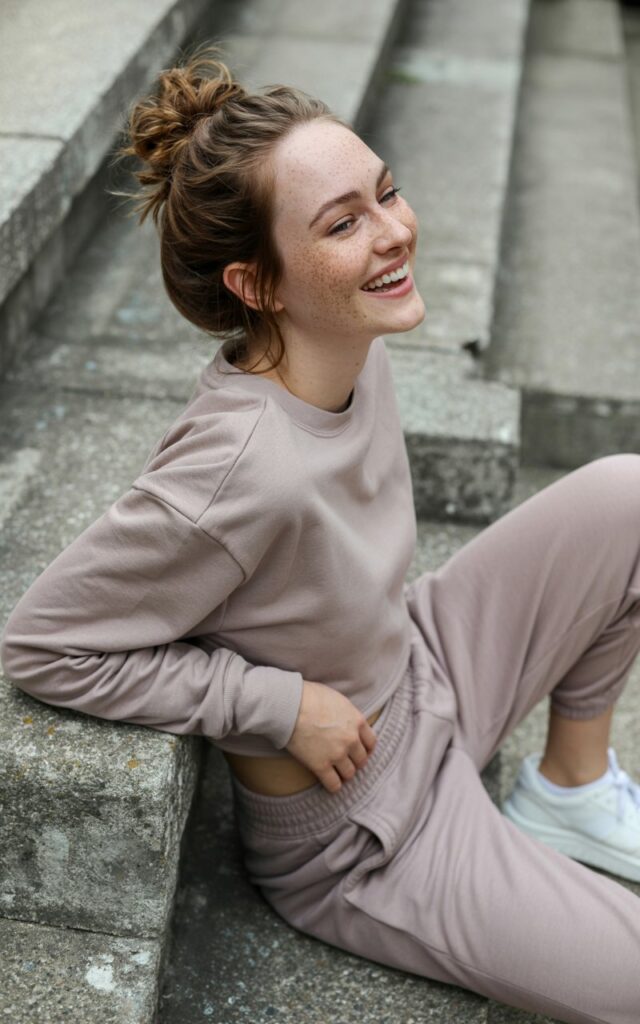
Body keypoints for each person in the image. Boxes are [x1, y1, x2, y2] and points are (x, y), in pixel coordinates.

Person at [2, 42, 640, 1024]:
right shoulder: (235, 465)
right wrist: (277, 704)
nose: (394, 233)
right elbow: (45, 642)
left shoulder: (346, 341)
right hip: (362, 825)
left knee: (626, 496)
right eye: (345, 223)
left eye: (386, 194)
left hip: (424, 666)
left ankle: (569, 789)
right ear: (257, 284)